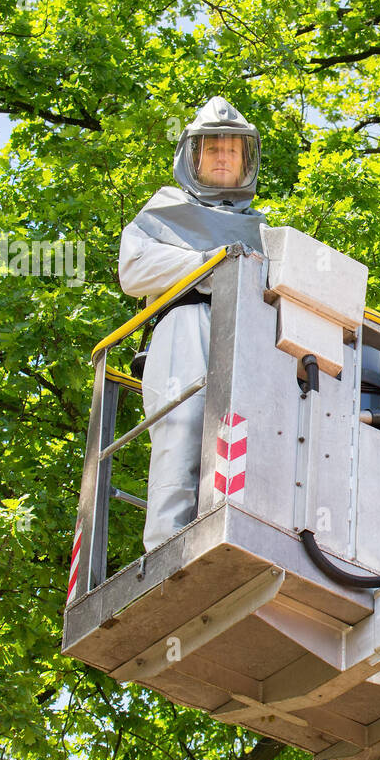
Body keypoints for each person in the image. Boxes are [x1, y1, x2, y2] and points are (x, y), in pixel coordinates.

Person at [119, 96, 265, 551]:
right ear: (193, 157)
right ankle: (167, 546)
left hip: (246, 334)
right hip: (184, 326)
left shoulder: (261, 230)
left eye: (232, 151)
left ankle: (229, 534)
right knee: (181, 427)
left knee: (244, 430)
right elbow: (134, 268)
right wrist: (207, 262)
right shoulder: (166, 209)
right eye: (214, 149)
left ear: (245, 162)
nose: (223, 157)